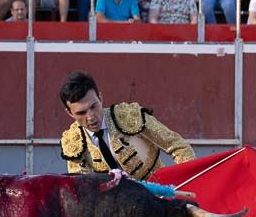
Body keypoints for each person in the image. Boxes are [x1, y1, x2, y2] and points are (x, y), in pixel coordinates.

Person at [59, 69, 194, 182]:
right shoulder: (73, 143)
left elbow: (177, 146)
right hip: (114, 206)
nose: (91, 117)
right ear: (70, 113)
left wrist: (187, 181)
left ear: (100, 98)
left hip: (159, 193)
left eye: (94, 106)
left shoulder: (129, 116)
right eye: (81, 113)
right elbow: (84, 188)